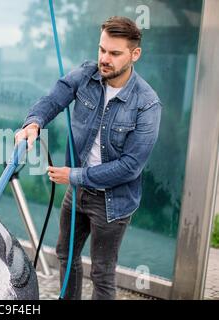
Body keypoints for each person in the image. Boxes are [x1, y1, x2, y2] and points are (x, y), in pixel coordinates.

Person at [14, 16, 162, 300]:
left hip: (113, 201)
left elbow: (130, 167)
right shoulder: (86, 75)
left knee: (102, 272)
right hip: (77, 193)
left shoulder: (147, 104)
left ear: (135, 54)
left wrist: (74, 176)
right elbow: (53, 100)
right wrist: (33, 123)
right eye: (102, 49)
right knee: (65, 255)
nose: (104, 59)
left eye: (114, 53)